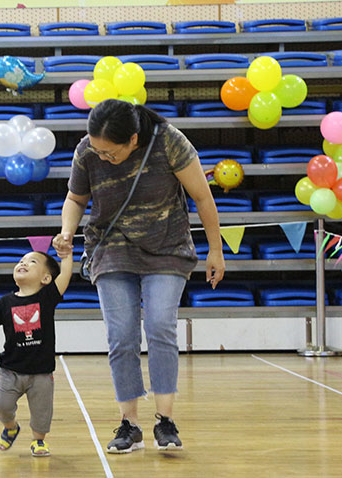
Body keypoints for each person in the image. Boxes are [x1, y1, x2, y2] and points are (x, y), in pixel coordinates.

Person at [52, 99, 225, 454]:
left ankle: (165, 420)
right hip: (110, 248)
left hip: (167, 246)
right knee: (121, 335)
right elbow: (75, 197)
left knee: (161, 326)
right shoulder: (88, 149)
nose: (101, 157)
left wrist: (216, 249)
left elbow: (203, 198)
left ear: (133, 140)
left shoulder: (169, 141)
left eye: (110, 153)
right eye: (97, 149)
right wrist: (67, 230)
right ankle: (129, 424)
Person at [0, 250, 72, 457]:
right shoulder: (5, 302)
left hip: (42, 373)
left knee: (41, 412)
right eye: (21, 260)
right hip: (11, 370)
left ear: (46, 278)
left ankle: (38, 441)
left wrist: (67, 255)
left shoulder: (47, 297)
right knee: (2, 406)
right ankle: (10, 427)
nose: (23, 263)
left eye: (32, 261)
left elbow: (64, 276)